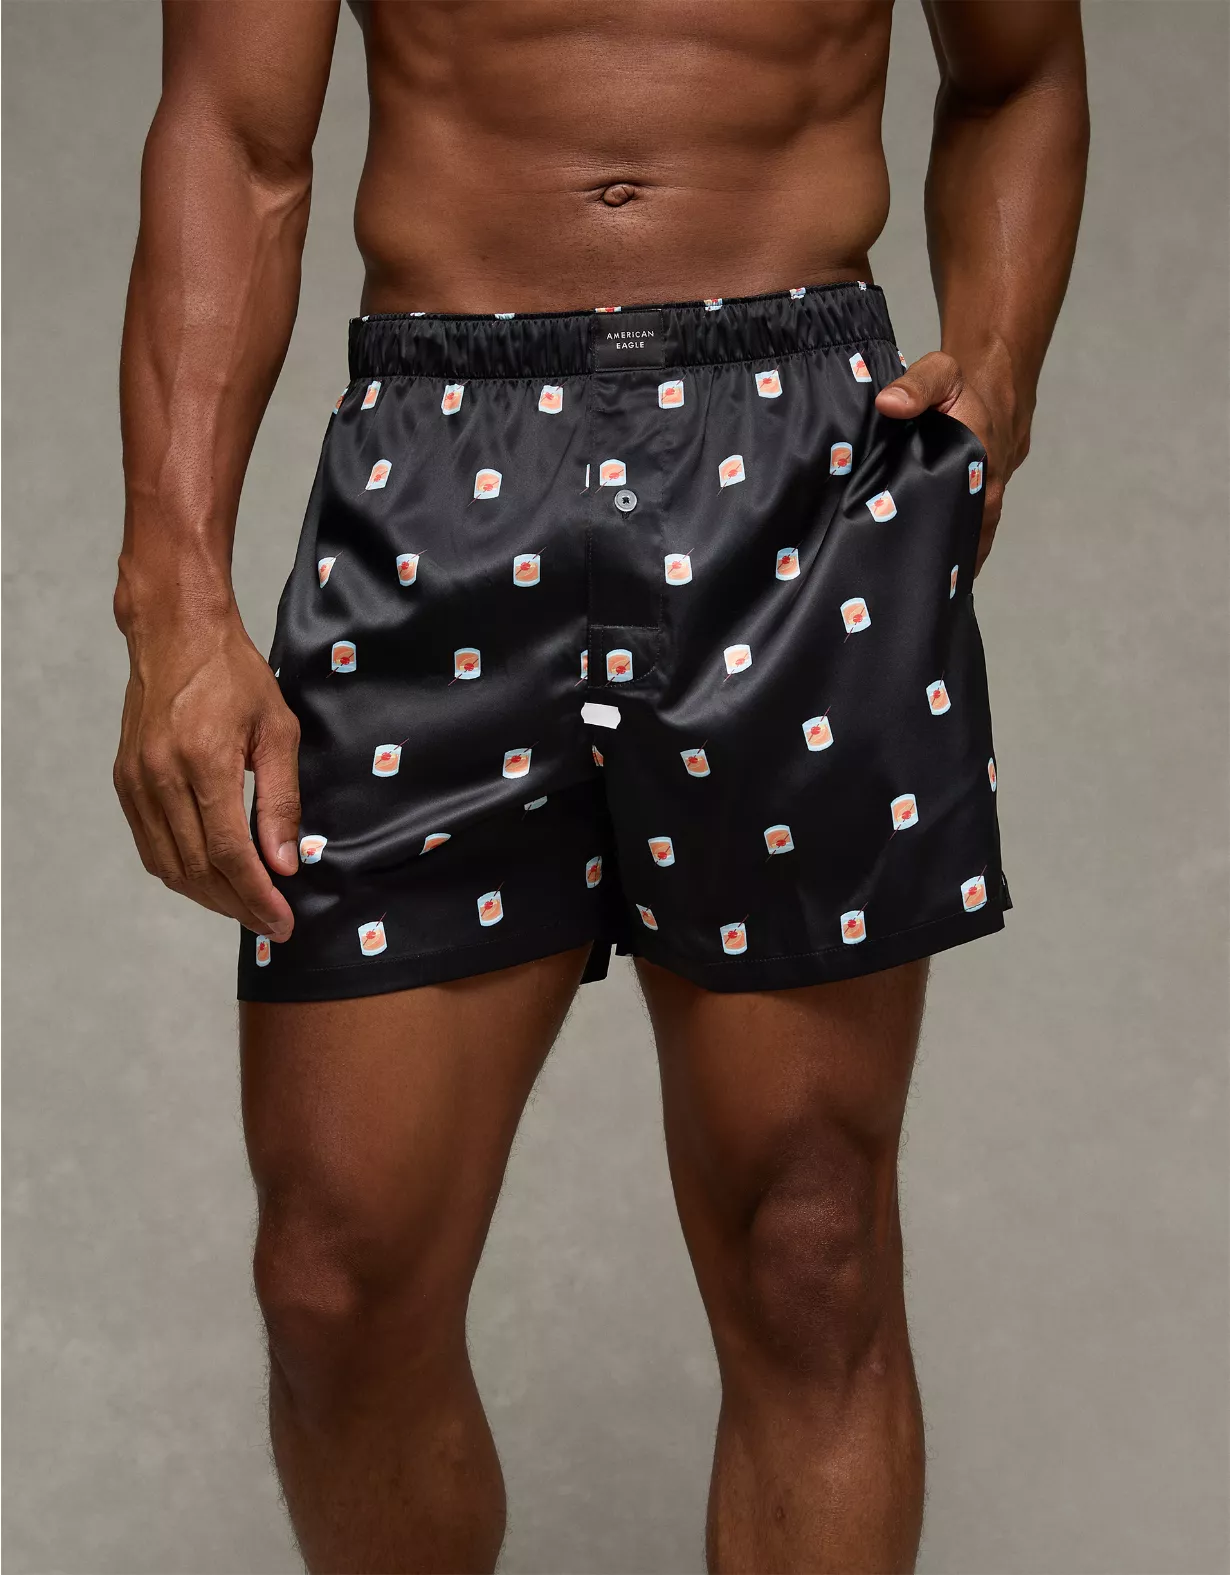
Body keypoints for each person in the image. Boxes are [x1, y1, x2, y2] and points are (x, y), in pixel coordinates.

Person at [112, 3, 1087, 1570]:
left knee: (810, 1244)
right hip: (436, 469)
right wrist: (173, 594)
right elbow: (233, 134)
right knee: (335, 1277)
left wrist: (1001, 370)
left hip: (800, 470)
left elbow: (1019, 68)